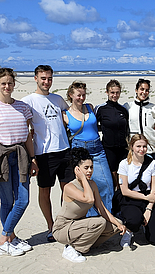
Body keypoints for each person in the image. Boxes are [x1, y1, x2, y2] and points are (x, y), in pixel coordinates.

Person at [22, 65, 75, 242]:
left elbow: (71, 113)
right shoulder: (28, 101)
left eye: (49, 78)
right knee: (44, 191)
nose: (47, 82)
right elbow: (25, 129)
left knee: (67, 190)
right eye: (43, 78)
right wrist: (32, 159)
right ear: (35, 78)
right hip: (44, 153)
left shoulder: (58, 99)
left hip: (64, 150)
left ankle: (63, 222)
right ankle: (51, 226)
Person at [52, 147, 126, 263]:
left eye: (91, 167)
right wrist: (83, 178)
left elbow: (101, 208)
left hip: (80, 224)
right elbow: (89, 199)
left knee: (116, 226)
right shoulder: (69, 187)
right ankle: (71, 248)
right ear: (77, 169)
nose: (90, 171)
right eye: (86, 168)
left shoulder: (92, 184)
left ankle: (85, 245)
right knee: (99, 223)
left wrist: (118, 223)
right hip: (63, 228)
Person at [0, 68, 39, 256]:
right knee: (7, 201)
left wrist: (33, 159)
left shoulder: (23, 107)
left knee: (22, 200)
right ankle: (8, 238)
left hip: (21, 156)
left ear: (14, 84)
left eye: (10, 83)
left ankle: (6, 236)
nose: (7, 86)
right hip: (2, 158)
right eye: (3, 83)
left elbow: (28, 137)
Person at [63, 81, 114, 217]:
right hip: (79, 151)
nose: (81, 98)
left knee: (107, 185)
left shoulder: (90, 107)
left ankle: (108, 217)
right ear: (71, 95)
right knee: (86, 186)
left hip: (97, 149)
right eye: (78, 95)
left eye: (84, 95)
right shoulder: (65, 114)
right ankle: (91, 218)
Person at [117, 134, 155, 247]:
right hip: (130, 198)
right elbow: (124, 190)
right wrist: (145, 197)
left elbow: (154, 190)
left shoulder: (152, 163)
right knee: (134, 219)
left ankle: (147, 225)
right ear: (131, 147)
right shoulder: (124, 164)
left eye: (144, 146)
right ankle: (129, 230)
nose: (141, 149)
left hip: (148, 198)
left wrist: (148, 209)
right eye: (138, 146)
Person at [95, 79, 129, 188]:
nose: (115, 95)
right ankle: (115, 196)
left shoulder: (123, 110)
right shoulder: (101, 109)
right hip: (109, 147)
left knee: (123, 174)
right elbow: (94, 125)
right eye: (112, 92)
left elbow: (127, 128)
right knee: (112, 173)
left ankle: (122, 196)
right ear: (107, 93)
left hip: (123, 148)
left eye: (117, 92)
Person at [124, 79, 155, 161]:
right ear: (136, 90)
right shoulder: (128, 106)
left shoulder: (153, 107)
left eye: (147, 90)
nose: (144, 92)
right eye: (142, 89)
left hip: (152, 149)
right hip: (135, 149)